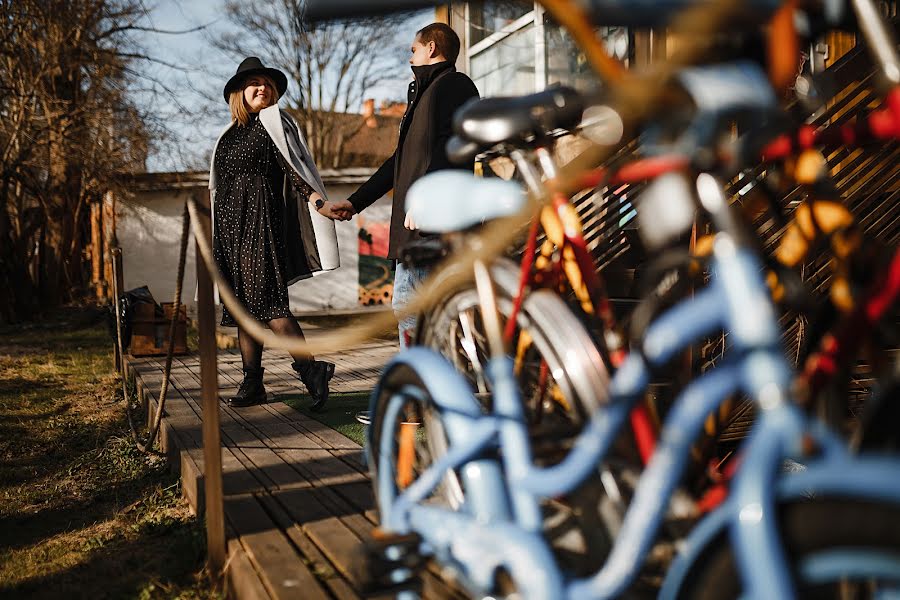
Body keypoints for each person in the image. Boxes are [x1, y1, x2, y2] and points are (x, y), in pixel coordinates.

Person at [320, 23, 480, 348]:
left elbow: (452, 144)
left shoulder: (452, 85)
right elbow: (398, 162)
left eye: (414, 50)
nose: (410, 58)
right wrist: (355, 202)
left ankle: (425, 391)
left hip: (432, 226)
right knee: (433, 318)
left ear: (431, 48)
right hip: (419, 228)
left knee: (411, 312)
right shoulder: (424, 96)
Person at [211, 56, 342, 410]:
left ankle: (312, 370)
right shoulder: (227, 137)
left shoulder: (273, 123)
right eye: (255, 82)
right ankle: (252, 383)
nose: (263, 87)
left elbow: (296, 170)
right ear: (239, 92)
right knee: (243, 310)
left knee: (269, 305)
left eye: (267, 83)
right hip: (230, 233)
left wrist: (319, 202)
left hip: (258, 226)